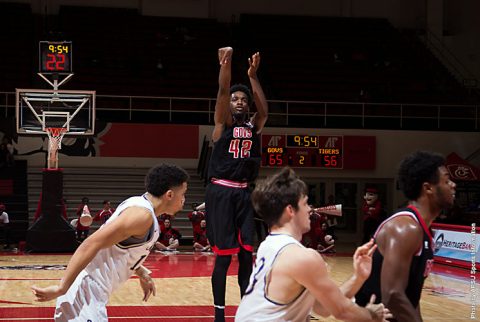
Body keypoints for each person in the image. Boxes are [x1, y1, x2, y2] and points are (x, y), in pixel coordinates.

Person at [31, 164, 189, 321]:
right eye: (183, 194)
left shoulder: (140, 206)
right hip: (85, 292)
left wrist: (141, 272)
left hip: (89, 292)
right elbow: (91, 243)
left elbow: (119, 248)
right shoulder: (142, 215)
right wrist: (62, 287)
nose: (184, 200)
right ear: (169, 195)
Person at [235, 167, 390, 321]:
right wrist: (372, 315)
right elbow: (341, 311)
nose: (310, 209)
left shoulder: (268, 245)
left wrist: (358, 277)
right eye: (306, 203)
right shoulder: (301, 257)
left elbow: (323, 308)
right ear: (290, 210)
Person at [205, 46, 268, 322]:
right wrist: (226, 64)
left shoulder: (254, 126)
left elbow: (264, 110)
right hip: (221, 192)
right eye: (235, 98)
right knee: (223, 257)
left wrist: (253, 76)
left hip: (243, 194)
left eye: (243, 98)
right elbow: (221, 92)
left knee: (246, 255)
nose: (239, 101)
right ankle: (219, 313)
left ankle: (246, 308)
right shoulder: (222, 124)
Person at [355, 151, 456, 322]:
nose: (453, 185)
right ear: (428, 188)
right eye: (446, 180)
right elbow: (393, 296)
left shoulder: (423, 229)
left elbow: (410, 299)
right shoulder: (405, 228)